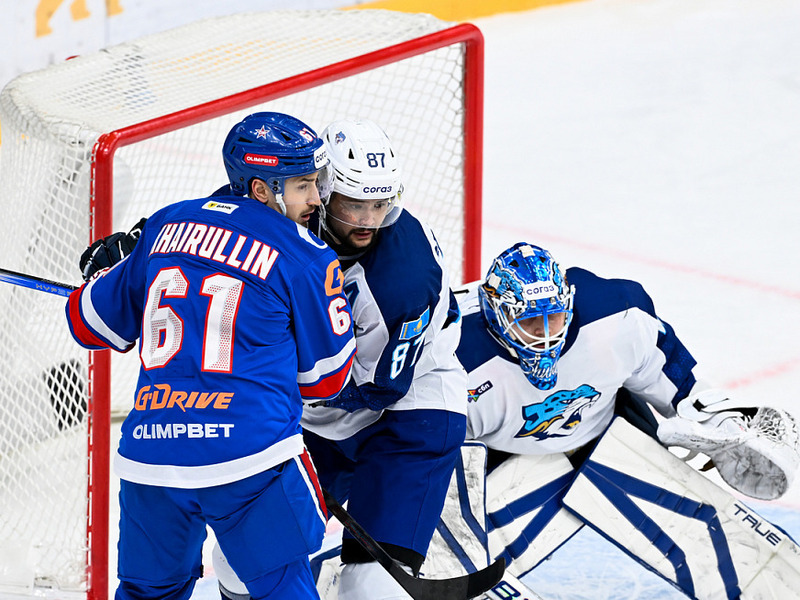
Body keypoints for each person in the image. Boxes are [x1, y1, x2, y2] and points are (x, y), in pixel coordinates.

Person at [66, 111, 356, 600]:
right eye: (303, 185)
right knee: (282, 589)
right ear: (261, 189)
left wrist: (103, 277)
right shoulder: (306, 255)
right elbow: (325, 380)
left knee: (146, 593)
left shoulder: (164, 225)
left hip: (153, 457)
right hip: (251, 459)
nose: (316, 199)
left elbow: (88, 323)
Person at [427, 241, 800, 595]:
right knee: (444, 551)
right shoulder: (452, 359)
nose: (544, 335)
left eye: (553, 318)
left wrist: (724, 425)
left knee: (718, 541)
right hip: (504, 458)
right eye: (529, 322)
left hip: (611, 433)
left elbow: (681, 386)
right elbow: (423, 454)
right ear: (497, 315)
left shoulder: (619, 315)